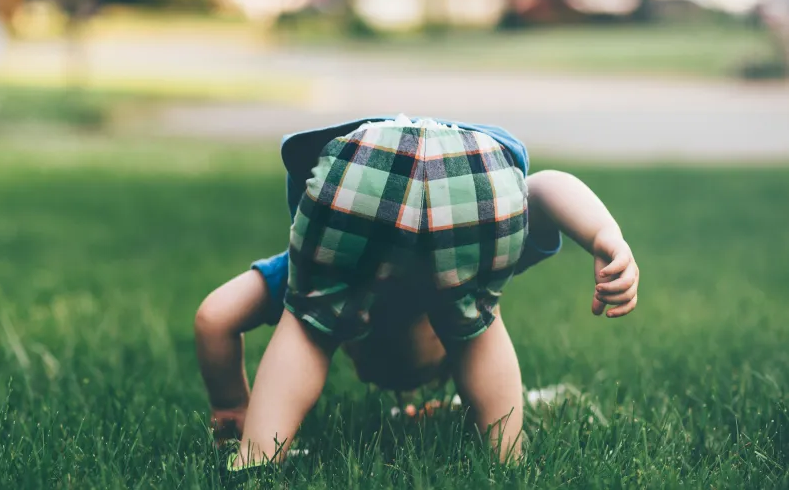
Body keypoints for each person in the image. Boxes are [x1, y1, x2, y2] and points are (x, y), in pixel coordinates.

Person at [194, 116, 639, 472]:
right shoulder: (457, 264)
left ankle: (256, 458)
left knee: (313, 326)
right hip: (442, 163)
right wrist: (604, 234)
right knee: (472, 323)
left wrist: (230, 402)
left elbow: (215, 315)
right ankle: (507, 463)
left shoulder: (321, 269)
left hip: (400, 165)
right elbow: (543, 187)